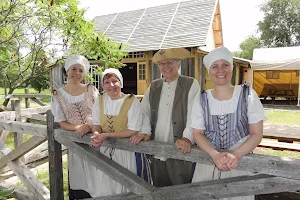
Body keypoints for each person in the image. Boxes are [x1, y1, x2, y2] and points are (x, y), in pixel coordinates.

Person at [191, 47, 267, 200]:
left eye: (225, 64)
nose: (221, 70)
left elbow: (257, 133)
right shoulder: (201, 98)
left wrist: (236, 155)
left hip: (240, 163)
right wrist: (215, 154)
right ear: (209, 71)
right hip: (209, 163)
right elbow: (197, 133)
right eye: (215, 66)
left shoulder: (247, 94)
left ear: (232, 67)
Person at [131, 48, 200, 187]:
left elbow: (195, 113)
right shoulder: (154, 86)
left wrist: (187, 138)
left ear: (178, 65)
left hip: (181, 149)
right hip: (157, 147)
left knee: (182, 188)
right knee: (158, 187)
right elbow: (145, 111)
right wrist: (145, 132)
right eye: (162, 63)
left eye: (170, 62)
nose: (166, 66)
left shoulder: (190, 83)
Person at [89, 68, 144, 197]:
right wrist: (97, 134)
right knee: (105, 184)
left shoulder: (131, 101)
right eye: (107, 82)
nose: (111, 85)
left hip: (126, 151)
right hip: (104, 151)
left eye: (115, 81)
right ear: (103, 85)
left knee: (125, 185)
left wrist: (106, 135)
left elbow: (132, 130)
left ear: (121, 83)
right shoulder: (100, 100)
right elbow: (96, 124)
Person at [51, 55, 99, 199]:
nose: (76, 73)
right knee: (79, 174)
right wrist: (79, 127)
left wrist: (90, 127)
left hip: (96, 137)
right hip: (76, 141)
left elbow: (100, 112)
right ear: (67, 71)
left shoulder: (91, 89)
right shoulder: (58, 95)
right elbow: (61, 121)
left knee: (99, 173)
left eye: (80, 70)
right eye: (73, 69)